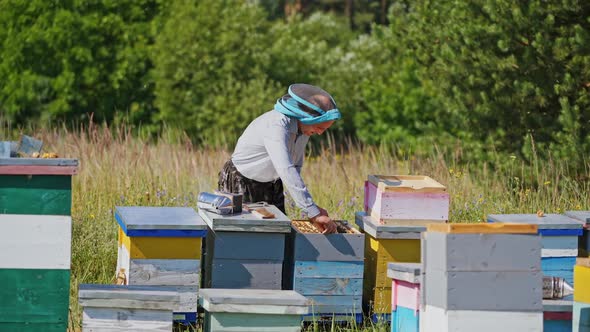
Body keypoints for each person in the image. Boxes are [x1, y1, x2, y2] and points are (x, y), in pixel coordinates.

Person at [218, 83, 340, 234]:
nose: (320, 133)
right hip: (242, 180)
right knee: (244, 237)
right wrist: (312, 211)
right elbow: (286, 168)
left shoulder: (305, 129)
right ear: (306, 118)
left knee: (278, 234)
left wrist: (311, 208)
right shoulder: (277, 125)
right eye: (320, 128)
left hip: (272, 183)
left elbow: (295, 167)